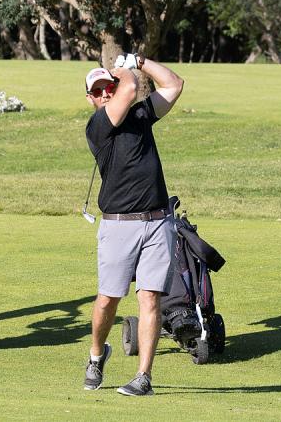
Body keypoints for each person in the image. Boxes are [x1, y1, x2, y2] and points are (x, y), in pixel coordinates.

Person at [82, 53, 184, 396]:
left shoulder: (141, 115)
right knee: (108, 299)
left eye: (107, 87)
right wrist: (123, 71)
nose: (105, 94)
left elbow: (174, 84)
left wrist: (141, 60)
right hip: (118, 225)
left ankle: (144, 377)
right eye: (98, 91)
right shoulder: (97, 127)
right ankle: (97, 355)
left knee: (150, 298)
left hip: (158, 222)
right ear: (91, 99)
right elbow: (129, 89)